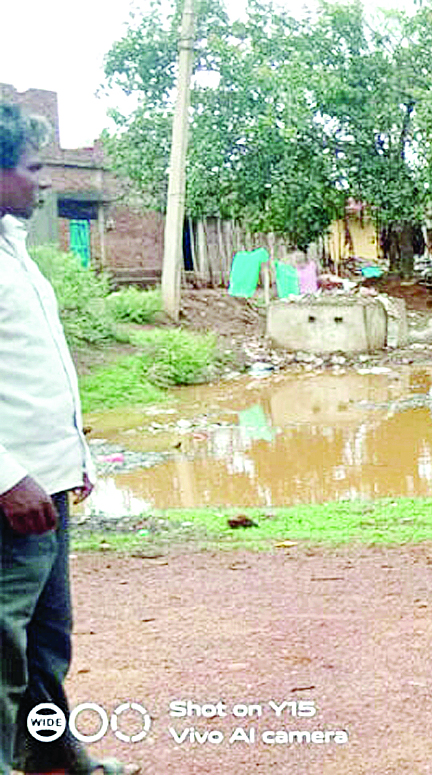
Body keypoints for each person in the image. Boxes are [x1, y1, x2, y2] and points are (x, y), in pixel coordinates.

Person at [0, 103, 137, 774]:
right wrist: (4, 476)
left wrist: (74, 457)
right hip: (10, 492)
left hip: (47, 481)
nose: (44, 183)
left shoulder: (14, 251)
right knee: (2, 646)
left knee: (47, 639)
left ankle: (52, 759)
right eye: (31, 169)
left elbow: (38, 365)